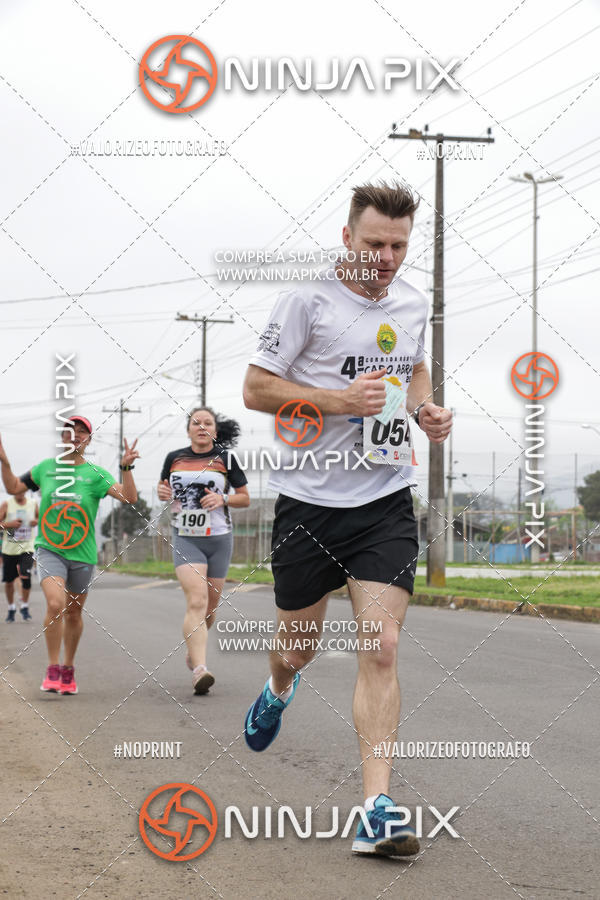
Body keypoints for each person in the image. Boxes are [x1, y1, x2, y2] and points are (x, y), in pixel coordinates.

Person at [242, 181, 453, 858]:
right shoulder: (306, 300)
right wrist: (339, 400)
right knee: (297, 647)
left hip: (384, 500)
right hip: (308, 504)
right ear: (346, 238)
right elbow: (256, 388)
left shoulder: (412, 302)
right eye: (374, 244)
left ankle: (376, 810)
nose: (386, 257)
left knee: (381, 645)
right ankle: (278, 687)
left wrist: (423, 409)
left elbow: (412, 368)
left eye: (399, 245)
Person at [0, 417, 139, 695]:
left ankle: (68, 668)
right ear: (62, 437)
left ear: (89, 439)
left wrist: (125, 468)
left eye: (81, 431)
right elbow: (14, 487)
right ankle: (52, 668)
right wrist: (4, 460)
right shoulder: (45, 468)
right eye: (69, 431)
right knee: (55, 604)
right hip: (50, 549)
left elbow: (129, 497)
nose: (75, 435)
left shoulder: (95, 474)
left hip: (83, 554)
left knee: (74, 613)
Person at [158, 407, 250, 695]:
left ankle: (193, 650)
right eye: (196, 422)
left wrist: (223, 499)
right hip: (186, 537)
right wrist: (162, 493)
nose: (201, 426)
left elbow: (244, 498)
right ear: (188, 430)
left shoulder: (226, 459)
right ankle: (200, 670)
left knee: (210, 608)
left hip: (219, 538)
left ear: (215, 430)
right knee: (196, 601)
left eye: (207, 422)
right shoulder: (174, 458)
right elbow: (164, 490)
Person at [1, 490, 39, 622]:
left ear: (26, 490)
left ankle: (24, 606)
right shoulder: (6, 504)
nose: (20, 493)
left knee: (25, 576)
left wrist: (35, 521)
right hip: (9, 549)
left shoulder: (33, 503)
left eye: (22, 490)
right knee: (9, 581)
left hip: (27, 547)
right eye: (16, 490)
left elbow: (41, 518)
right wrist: (9, 524)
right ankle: (11, 608)